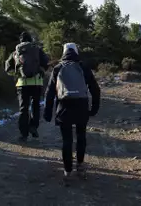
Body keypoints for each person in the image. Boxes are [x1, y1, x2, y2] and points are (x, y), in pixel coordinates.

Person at [43, 43, 101, 182]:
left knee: (67, 140)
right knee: (81, 136)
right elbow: (95, 89)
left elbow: (49, 92)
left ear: (64, 52)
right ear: (76, 51)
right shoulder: (83, 67)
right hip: (81, 105)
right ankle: (80, 166)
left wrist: (48, 111)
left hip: (64, 106)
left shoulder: (57, 68)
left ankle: (67, 171)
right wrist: (94, 108)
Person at [5, 31, 49, 141]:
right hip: (36, 83)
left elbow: (7, 68)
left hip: (22, 83)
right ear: (30, 40)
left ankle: (23, 133)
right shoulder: (37, 50)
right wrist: (41, 71)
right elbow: (46, 62)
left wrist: (17, 74)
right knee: (35, 106)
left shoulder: (16, 52)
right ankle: (33, 126)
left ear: (20, 40)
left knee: (23, 108)